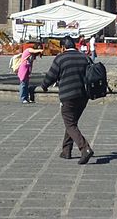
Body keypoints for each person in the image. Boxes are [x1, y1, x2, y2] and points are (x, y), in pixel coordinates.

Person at [40, 36, 94, 164]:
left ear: (63, 47)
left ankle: (85, 148)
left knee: (70, 124)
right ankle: (66, 151)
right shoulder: (85, 57)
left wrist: (44, 86)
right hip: (83, 96)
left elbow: (51, 75)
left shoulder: (61, 58)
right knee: (71, 123)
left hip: (68, 96)